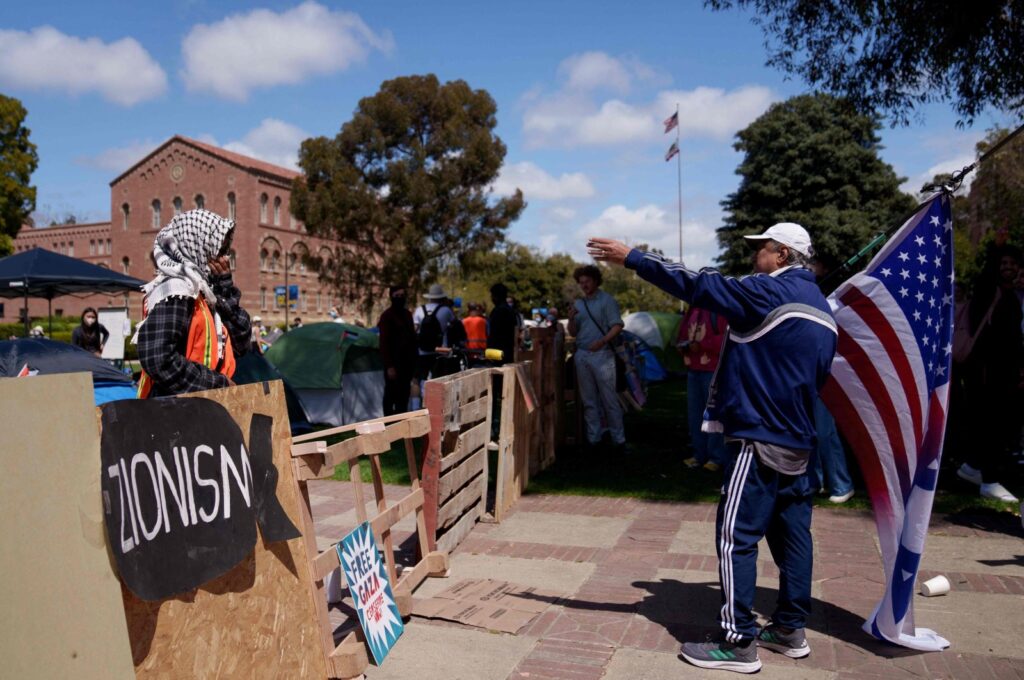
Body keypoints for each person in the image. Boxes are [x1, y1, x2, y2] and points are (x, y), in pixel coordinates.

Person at [588, 222, 837, 673]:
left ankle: (738, 642)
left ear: (782, 254)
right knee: (793, 539)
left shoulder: (766, 291)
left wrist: (635, 258)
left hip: (760, 438)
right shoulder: (823, 308)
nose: (755, 256)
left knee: (734, 538)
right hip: (800, 444)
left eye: (761, 249)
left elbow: (699, 284)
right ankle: (788, 629)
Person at [136, 209, 252, 397]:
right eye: (218, 249)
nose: (223, 258)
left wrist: (224, 289)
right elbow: (158, 358)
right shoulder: (176, 291)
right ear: (197, 245)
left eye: (225, 250)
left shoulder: (205, 292)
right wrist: (216, 384)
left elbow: (241, 343)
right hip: (175, 415)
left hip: (200, 408)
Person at [956, 234, 1023, 502]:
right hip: (986, 374)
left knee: (998, 427)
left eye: (1012, 263)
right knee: (992, 426)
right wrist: (995, 250)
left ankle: (974, 467)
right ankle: (989, 479)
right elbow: (985, 274)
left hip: (1005, 374)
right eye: (1003, 263)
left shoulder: (1012, 297)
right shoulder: (989, 291)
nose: (1007, 267)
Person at [567, 265, 626, 450]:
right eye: (581, 282)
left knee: (609, 399)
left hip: (602, 354)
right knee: (589, 400)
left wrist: (602, 341)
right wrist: (570, 319)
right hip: (583, 354)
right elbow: (574, 332)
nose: (584, 285)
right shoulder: (578, 304)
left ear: (595, 280)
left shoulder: (607, 301)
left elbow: (617, 326)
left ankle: (619, 439)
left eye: (587, 281)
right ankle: (594, 438)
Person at [678, 304, 728, 471]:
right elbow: (683, 333)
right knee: (695, 414)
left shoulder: (718, 310)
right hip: (694, 369)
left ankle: (717, 457)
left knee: (713, 414)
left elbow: (726, 338)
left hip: (712, 370)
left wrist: (703, 345)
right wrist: (682, 346)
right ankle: (699, 454)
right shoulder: (692, 309)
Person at [377, 285, 417, 415]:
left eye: (402, 296)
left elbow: (412, 339)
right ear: (392, 297)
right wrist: (389, 366)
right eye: (397, 296)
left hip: (407, 363)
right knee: (391, 394)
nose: (400, 298)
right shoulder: (387, 316)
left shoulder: (407, 315)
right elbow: (384, 343)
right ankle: (389, 423)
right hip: (394, 363)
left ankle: (402, 421)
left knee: (404, 395)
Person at [413, 283, 455, 381]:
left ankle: (421, 396)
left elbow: (415, 329)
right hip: (441, 350)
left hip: (423, 350)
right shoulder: (446, 310)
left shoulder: (419, 310)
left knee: (421, 378)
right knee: (439, 378)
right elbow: (454, 325)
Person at [487, 283, 517, 364]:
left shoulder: (497, 311)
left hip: (497, 353)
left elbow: (494, 333)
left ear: (496, 296)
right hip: (509, 352)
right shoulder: (511, 311)